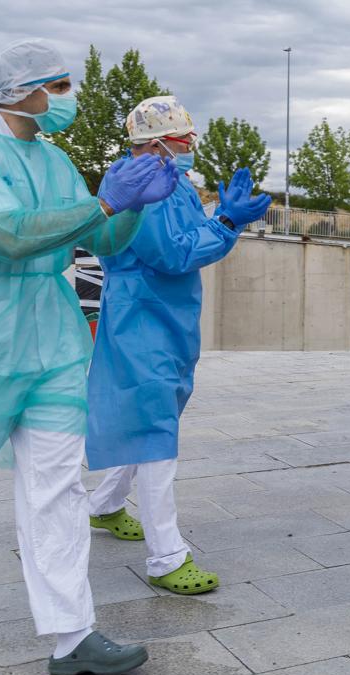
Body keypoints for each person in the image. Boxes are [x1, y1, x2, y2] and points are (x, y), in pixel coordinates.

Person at [0, 39, 178, 675]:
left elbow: (99, 236)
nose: (65, 97)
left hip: (50, 337)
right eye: (58, 85)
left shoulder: (53, 160)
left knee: (56, 487)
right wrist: (104, 202)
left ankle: (72, 634)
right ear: (17, 91)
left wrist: (131, 207)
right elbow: (6, 237)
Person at [85, 96, 271, 594]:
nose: (192, 146)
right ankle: (167, 556)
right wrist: (227, 224)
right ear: (159, 142)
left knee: (154, 417)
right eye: (186, 138)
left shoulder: (170, 182)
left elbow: (187, 236)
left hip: (166, 317)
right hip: (142, 318)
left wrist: (218, 217)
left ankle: (103, 505)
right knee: (156, 426)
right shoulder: (142, 186)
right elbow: (174, 253)